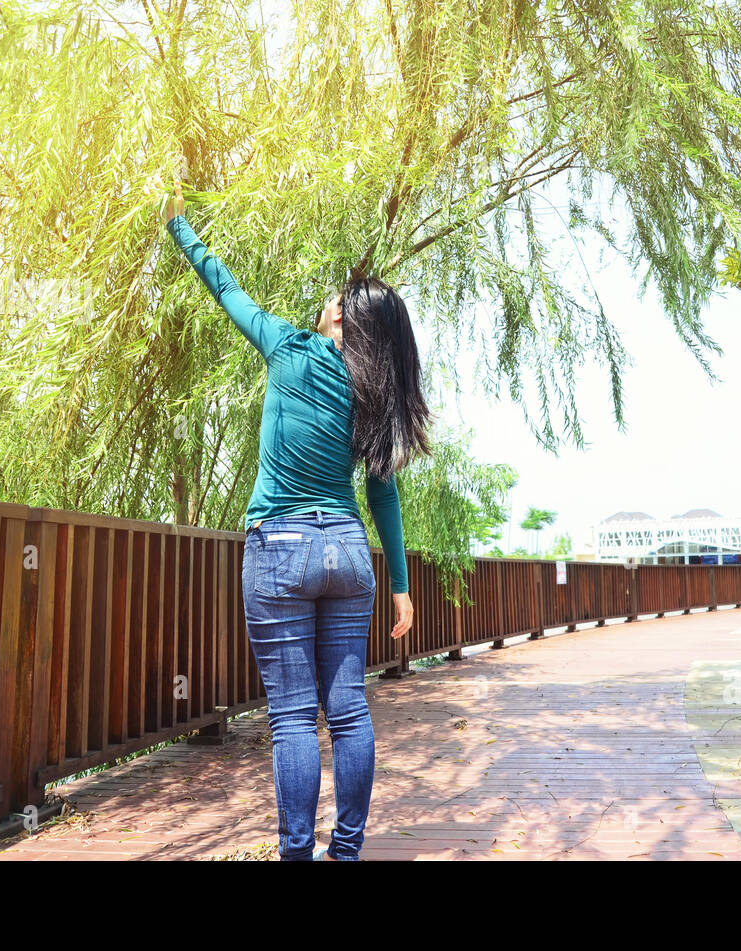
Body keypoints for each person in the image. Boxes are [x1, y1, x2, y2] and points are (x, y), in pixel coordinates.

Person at [161, 180, 433, 861]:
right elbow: (383, 498)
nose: (327, 301)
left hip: (279, 546)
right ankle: (346, 851)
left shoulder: (286, 347)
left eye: (335, 299)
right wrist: (401, 584)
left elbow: (223, 286)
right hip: (345, 550)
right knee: (348, 713)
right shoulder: (373, 395)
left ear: (338, 319)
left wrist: (178, 226)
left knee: (291, 718)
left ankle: (295, 855)